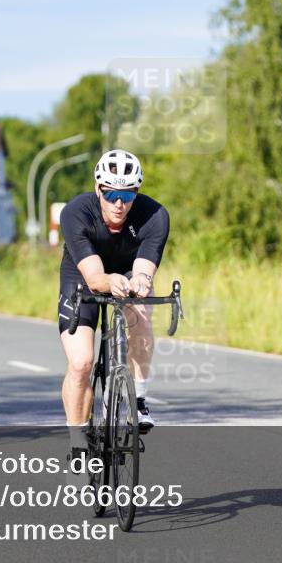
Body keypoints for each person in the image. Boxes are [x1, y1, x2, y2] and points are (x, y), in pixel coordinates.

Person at [57, 149, 169, 460]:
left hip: (128, 269)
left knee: (142, 310)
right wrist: (110, 281)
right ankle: (78, 439)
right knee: (80, 362)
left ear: (137, 191)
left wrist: (142, 281)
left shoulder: (154, 215)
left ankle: (140, 400)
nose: (119, 203)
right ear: (98, 189)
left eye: (127, 194)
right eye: (111, 194)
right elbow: (94, 277)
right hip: (82, 275)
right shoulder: (76, 212)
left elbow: (145, 268)